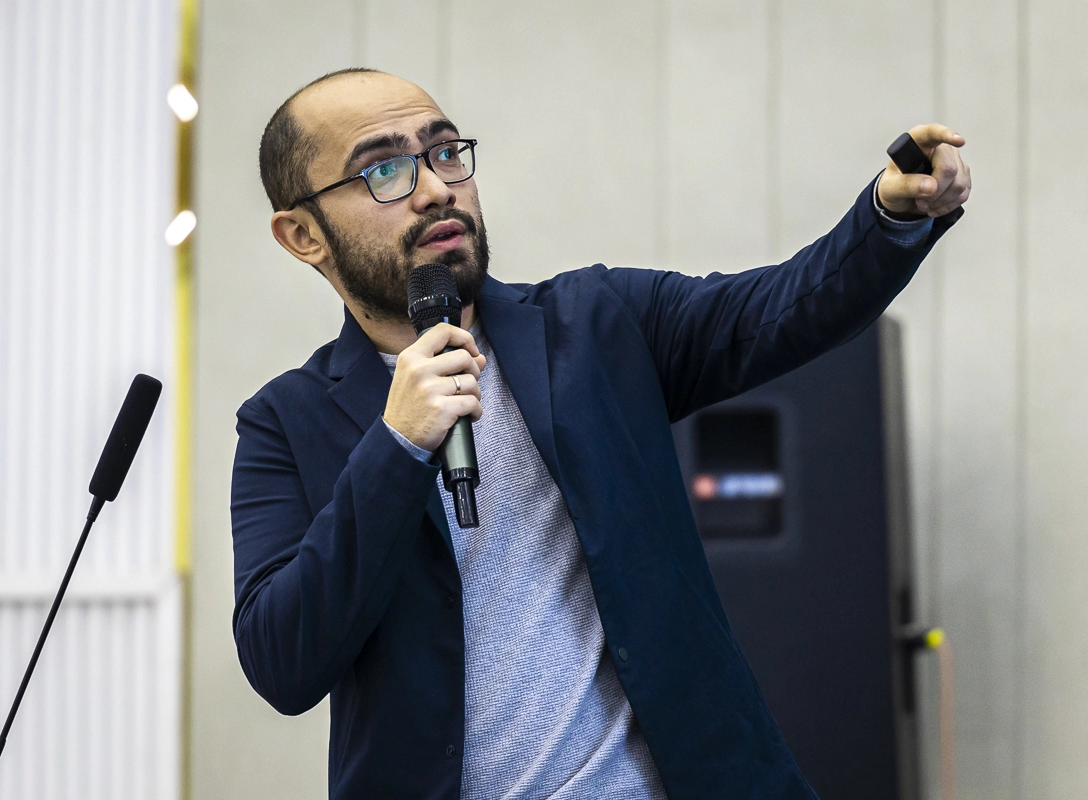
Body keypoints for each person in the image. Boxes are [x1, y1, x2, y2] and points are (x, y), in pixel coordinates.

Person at [232, 68, 970, 799]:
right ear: (303, 234)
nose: (435, 189)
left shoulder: (592, 325)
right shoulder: (284, 423)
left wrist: (890, 214)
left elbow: (784, 307)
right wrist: (396, 446)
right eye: (384, 171)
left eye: (446, 152)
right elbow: (282, 662)